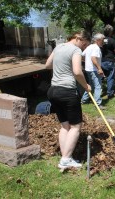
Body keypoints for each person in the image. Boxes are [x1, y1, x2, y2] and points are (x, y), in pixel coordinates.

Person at [45, 31, 91, 169]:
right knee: (76, 127)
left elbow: (47, 65)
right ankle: (66, 159)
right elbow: (77, 72)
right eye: (84, 44)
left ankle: (64, 156)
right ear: (78, 38)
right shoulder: (75, 49)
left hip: (53, 91)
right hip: (67, 91)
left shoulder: (58, 47)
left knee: (65, 126)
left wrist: (62, 67)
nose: (83, 48)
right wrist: (86, 85)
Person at [81, 33, 106, 110]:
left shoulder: (89, 47)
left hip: (88, 69)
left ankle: (84, 100)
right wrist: (99, 68)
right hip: (94, 70)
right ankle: (97, 104)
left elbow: (82, 56)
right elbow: (93, 58)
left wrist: (87, 62)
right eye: (102, 40)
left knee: (90, 85)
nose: (103, 41)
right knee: (98, 86)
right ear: (98, 40)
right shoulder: (96, 48)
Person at [101, 24, 115, 99]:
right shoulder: (112, 40)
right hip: (110, 61)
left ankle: (97, 92)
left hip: (101, 61)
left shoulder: (101, 40)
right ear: (111, 32)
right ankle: (110, 93)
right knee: (110, 77)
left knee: (100, 78)